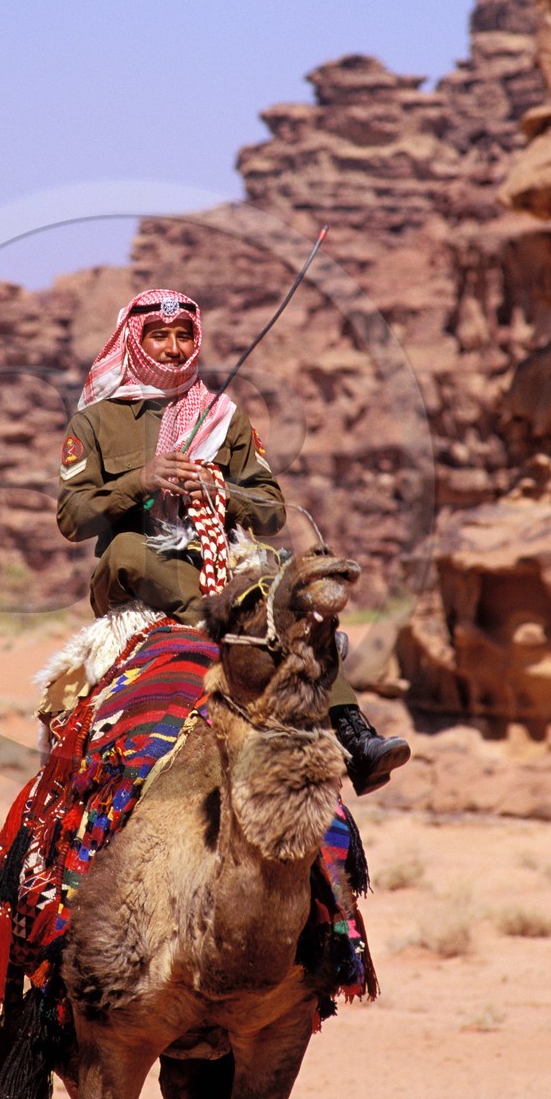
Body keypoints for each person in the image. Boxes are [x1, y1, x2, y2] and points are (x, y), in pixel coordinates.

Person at [57, 286, 411, 795]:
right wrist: (143, 480)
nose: (174, 348)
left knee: (290, 577)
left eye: (184, 336)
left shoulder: (224, 418)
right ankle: (249, 636)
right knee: (131, 551)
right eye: (159, 336)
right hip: (137, 567)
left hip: (222, 556)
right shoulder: (94, 422)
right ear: (134, 342)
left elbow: (269, 510)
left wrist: (220, 489)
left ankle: (354, 734)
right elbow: (71, 517)